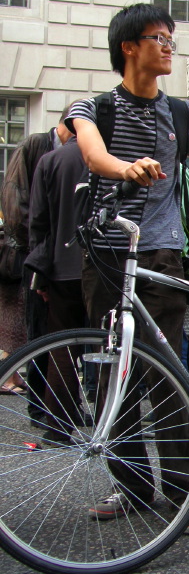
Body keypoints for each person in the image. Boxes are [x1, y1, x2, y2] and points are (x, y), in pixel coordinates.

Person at [68, 3, 189, 535]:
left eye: (172, 38)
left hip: (161, 252)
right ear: (129, 46)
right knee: (111, 373)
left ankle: (183, 492)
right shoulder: (92, 106)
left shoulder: (183, 114)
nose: (169, 46)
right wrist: (128, 168)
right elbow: (94, 155)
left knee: (165, 372)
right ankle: (134, 486)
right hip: (106, 253)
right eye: (159, 37)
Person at [25, 113, 95, 444]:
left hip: (60, 266)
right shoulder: (108, 160)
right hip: (102, 266)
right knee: (110, 347)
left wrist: (41, 273)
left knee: (62, 348)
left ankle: (57, 427)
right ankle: (116, 426)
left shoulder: (50, 161)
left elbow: (37, 222)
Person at [0, 107, 74, 416]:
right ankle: (38, 407)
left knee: (56, 330)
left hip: (58, 249)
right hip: (36, 252)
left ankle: (54, 404)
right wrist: (40, 249)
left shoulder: (73, 153)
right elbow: (15, 199)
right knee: (40, 329)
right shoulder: (35, 146)